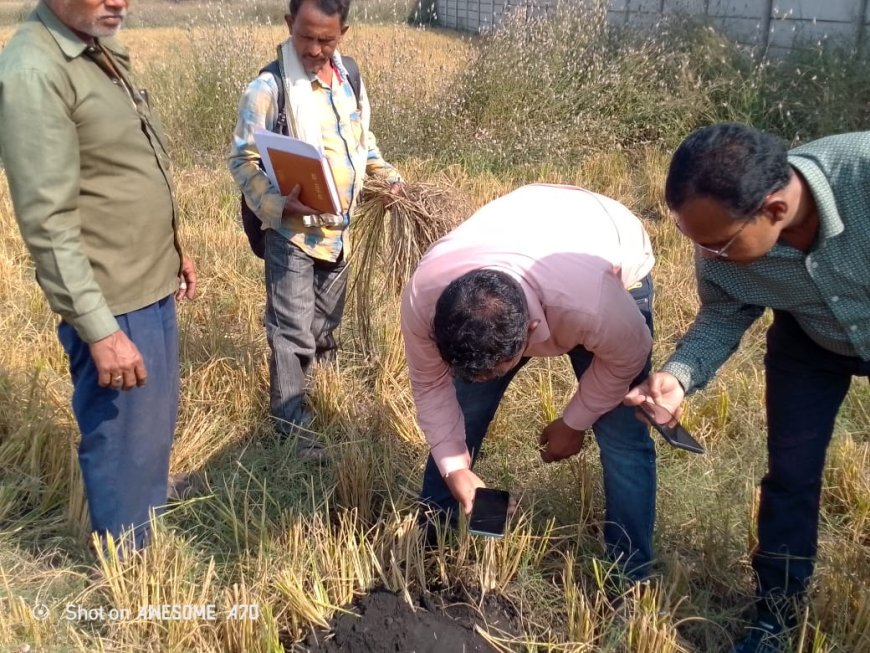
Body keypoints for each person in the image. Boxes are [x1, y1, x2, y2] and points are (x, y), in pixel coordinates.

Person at [625, 124, 870, 653]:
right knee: (790, 478)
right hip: (810, 343)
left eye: (718, 245)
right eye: (697, 242)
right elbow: (724, 312)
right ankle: (775, 619)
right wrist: (678, 376)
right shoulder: (717, 234)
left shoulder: (863, 173)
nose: (707, 255)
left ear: (776, 210)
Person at [0, 0, 197, 550]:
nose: (120, 2)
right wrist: (101, 329)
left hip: (147, 279)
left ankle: (142, 526)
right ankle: (129, 572)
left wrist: (172, 247)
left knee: (150, 429)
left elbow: (124, 163)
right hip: (111, 300)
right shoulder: (36, 72)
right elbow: (48, 222)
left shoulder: (94, 43)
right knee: (123, 440)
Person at [402, 183, 658, 580]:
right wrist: (456, 469)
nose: (481, 380)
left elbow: (628, 359)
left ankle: (630, 572)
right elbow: (431, 387)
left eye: (494, 369)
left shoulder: (593, 305)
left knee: (623, 435)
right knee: (462, 411)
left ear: (531, 333)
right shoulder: (426, 297)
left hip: (606, 239)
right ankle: (430, 542)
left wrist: (573, 423)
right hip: (522, 225)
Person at [229, 0, 402, 459]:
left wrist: (391, 180)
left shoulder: (350, 80)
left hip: (338, 231)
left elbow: (362, 145)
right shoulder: (269, 87)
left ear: (343, 31)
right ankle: (292, 429)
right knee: (291, 331)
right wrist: (276, 204)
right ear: (289, 26)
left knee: (325, 328)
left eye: (326, 39)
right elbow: (243, 159)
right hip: (291, 233)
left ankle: (325, 400)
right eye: (306, 36)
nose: (314, 48)